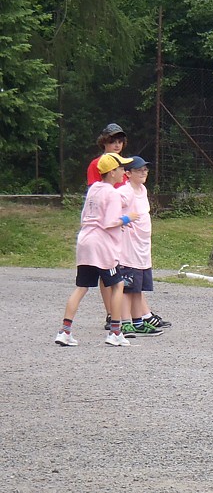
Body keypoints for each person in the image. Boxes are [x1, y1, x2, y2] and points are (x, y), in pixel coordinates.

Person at [86, 123, 171, 331]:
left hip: (123, 225)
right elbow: (97, 196)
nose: (116, 144)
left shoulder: (125, 165)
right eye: (112, 141)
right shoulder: (99, 165)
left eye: (119, 141)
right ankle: (113, 313)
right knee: (111, 271)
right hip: (110, 223)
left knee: (131, 274)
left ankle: (141, 314)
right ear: (103, 142)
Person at [55, 154, 139, 347]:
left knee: (82, 286)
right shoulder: (112, 193)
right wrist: (127, 218)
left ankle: (65, 331)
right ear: (112, 172)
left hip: (85, 241)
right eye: (120, 169)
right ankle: (115, 332)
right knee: (117, 284)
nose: (124, 173)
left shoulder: (93, 189)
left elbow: (87, 217)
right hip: (102, 246)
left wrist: (117, 223)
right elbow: (109, 222)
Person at [117, 157, 163, 338]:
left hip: (142, 247)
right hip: (128, 248)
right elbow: (111, 211)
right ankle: (125, 322)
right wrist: (123, 221)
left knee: (138, 287)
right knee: (127, 287)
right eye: (139, 170)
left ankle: (138, 321)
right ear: (128, 174)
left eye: (145, 169)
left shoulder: (142, 190)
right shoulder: (123, 192)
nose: (144, 172)